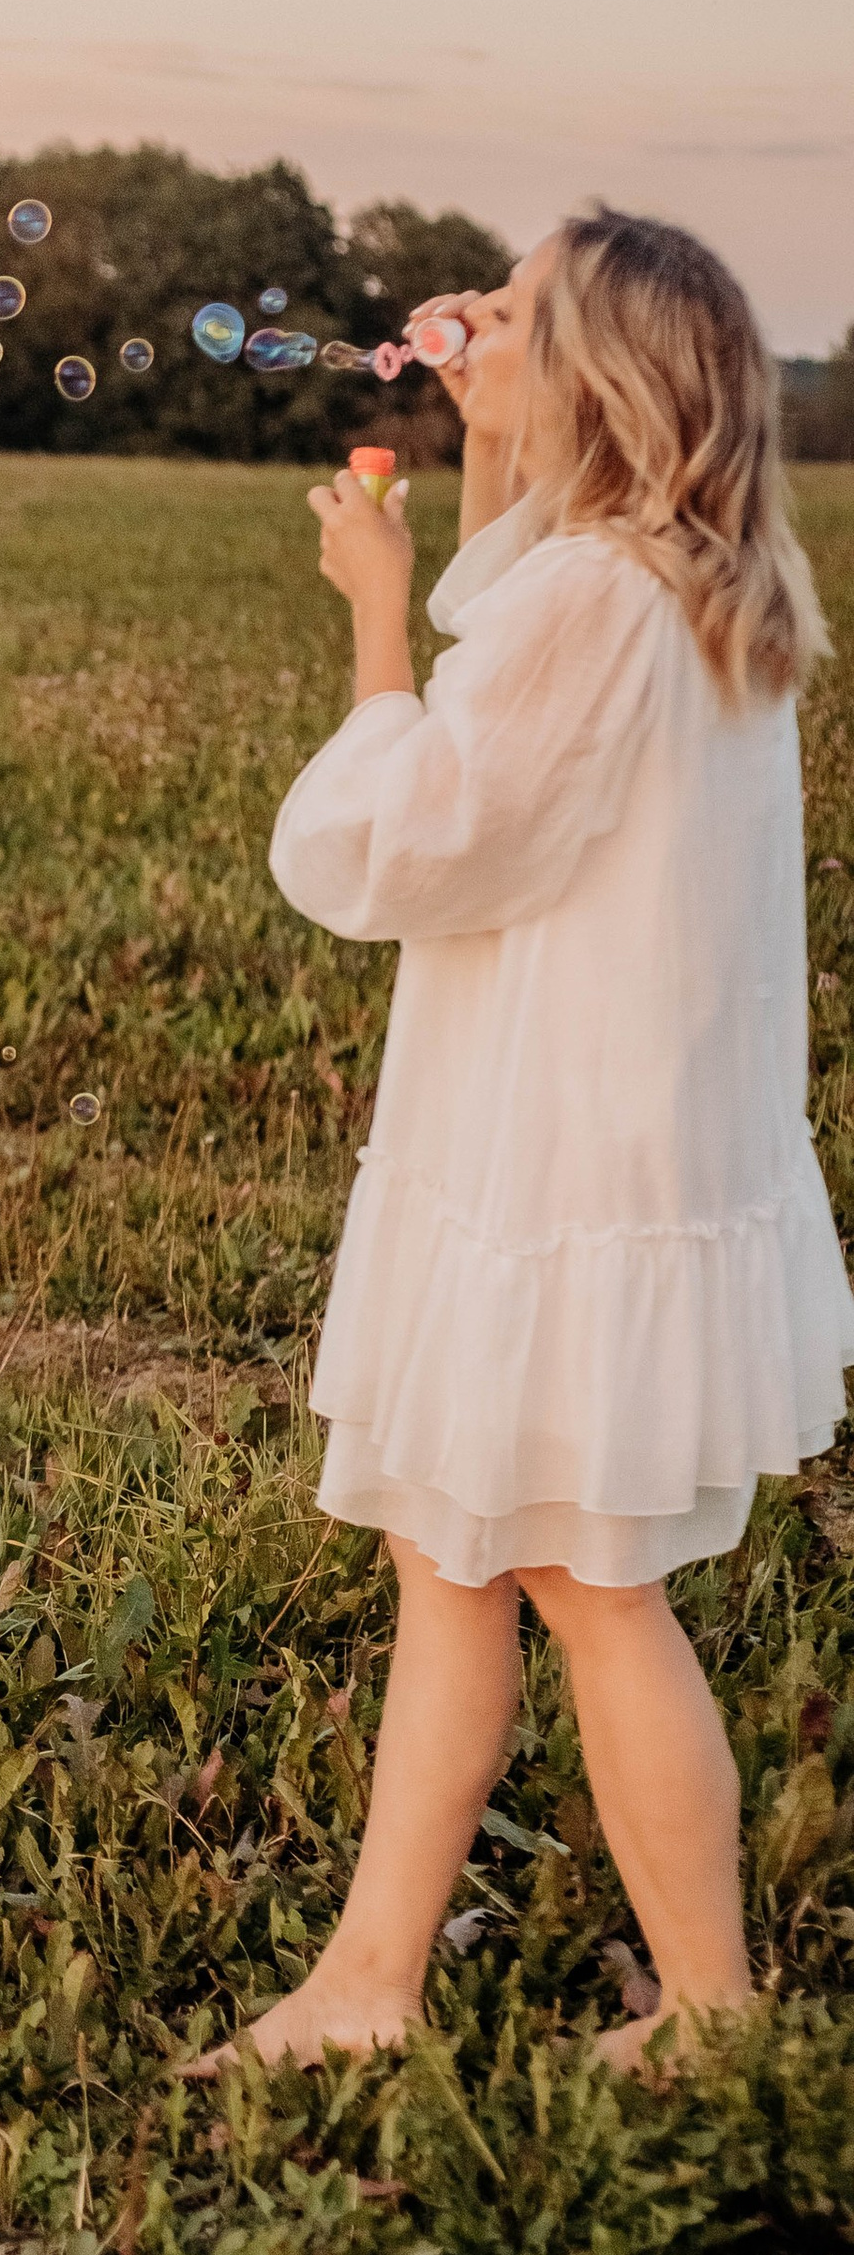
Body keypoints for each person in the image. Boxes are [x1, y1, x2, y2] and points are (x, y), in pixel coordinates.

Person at [208, 209, 853, 2075]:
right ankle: (368, 1984)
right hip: (606, 1144)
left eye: (517, 310)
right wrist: (487, 435)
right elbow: (529, 622)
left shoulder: (597, 601)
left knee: (580, 1576)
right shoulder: (689, 580)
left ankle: (716, 2017)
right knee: (459, 1552)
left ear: (602, 379)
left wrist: (364, 618)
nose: (473, 319)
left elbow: (401, 843)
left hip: (558, 1165)